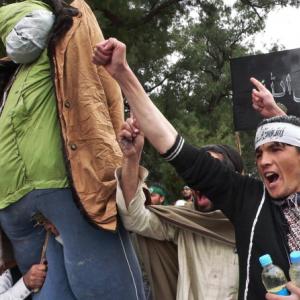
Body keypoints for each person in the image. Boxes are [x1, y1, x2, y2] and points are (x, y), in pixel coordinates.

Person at [93, 38, 300, 299]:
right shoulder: (251, 202)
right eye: (258, 153)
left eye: (277, 149)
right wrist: (123, 75)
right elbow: (174, 146)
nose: (264, 161)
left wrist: (277, 115)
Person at [0, 3, 145, 299]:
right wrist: (115, 169)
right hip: (64, 184)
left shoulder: (11, 83)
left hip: (10, 196)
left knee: (44, 285)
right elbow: (104, 93)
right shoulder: (63, 15)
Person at [116, 119, 241, 300]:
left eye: (211, 171)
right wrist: (132, 158)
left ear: (233, 179)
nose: (200, 179)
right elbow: (134, 218)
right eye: (197, 172)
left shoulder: (253, 222)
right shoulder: (184, 222)